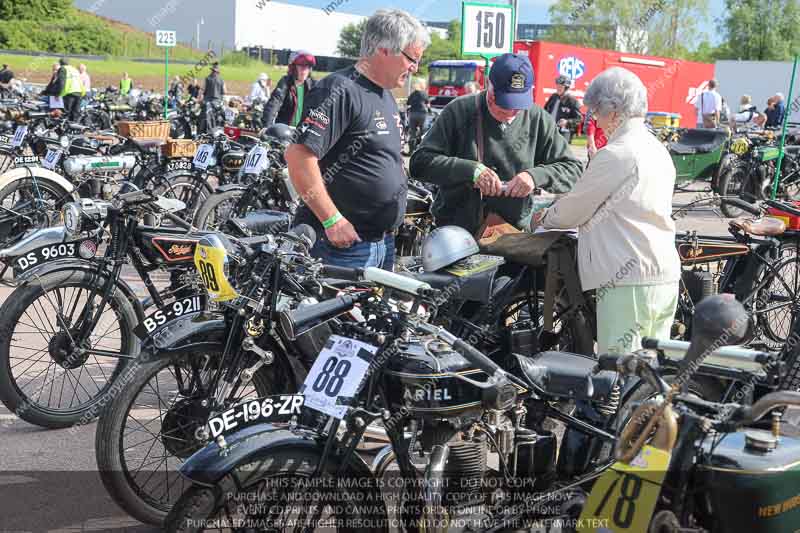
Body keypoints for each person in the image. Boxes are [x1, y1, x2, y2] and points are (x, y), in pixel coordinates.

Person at [530, 67, 681, 355]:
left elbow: (575, 208)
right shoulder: (657, 149)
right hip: (663, 275)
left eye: (596, 111)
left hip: (627, 282)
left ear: (614, 110)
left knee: (618, 373)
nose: (595, 120)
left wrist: (544, 216)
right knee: (650, 377)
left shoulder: (617, 153)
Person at [286, 9, 430, 270]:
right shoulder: (339, 89)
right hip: (339, 244)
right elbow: (298, 157)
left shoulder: (385, 96)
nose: (415, 68)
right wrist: (332, 221)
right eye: (412, 58)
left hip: (381, 243)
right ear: (385, 49)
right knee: (329, 312)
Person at [409, 53, 582, 237]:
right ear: (488, 86)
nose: (511, 112)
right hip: (456, 233)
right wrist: (471, 171)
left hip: (511, 235)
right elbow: (420, 163)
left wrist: (535, 176)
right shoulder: (459, 111)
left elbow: (573, 170)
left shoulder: (537, 118)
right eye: (503, 105)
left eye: (518, 105)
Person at [263, 50, 316, 127]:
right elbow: (274, 103)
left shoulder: (314, 86)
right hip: (284, 130)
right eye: (301, 65)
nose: (304, 70)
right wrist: (266, 127)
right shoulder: (285, 82)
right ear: (293, 67)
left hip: (304, 132)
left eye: (307, 66)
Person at [543, 75, 582, 143]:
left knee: (559, 153)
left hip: (563, 134)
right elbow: (545, 111)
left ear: (566, 88)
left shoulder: (572, 101)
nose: (558, 88)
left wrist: (567, 122)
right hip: (549, 131)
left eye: (560, 87)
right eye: (557, 86)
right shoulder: (553, 97)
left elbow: (579, 119)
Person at [202, 62, 227, 131]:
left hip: (208, 102)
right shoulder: (221, 80)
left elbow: (203, 90)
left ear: (212, 71)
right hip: (217, 103)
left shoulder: (207, 79)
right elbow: (224, 92)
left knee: (202, 117)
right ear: (217, 72)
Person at [406, 80, 430, 149]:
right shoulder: (424, 94)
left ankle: (411, 149)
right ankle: (420, 147)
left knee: (412, 132)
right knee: (423, 132)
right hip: (422, 114)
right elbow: (428, 104)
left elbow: (408, 103)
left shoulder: (412, 94)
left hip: (413, 114)